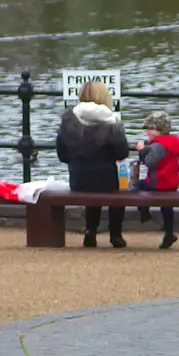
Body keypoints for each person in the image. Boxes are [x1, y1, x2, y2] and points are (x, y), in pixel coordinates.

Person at [56, 81, 129, 248]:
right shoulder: (111, 122)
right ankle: (115, 234)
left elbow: (62, 155)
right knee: (117, 190)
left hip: (78, 179)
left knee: (91, 186)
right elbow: (122, 153)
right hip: (106, 178)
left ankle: (90, 230)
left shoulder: (68, 121)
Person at [133, 111, 179, 249]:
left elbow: (150, 162)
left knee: (136, 186)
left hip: (158, 182)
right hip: (171, 183)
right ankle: (169, 232)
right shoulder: (174, 142)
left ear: (160, 130)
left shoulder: (158, 145)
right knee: (166, 206)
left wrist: (142, 150)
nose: (147, 132)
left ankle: (144, 212)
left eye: (150, 129)